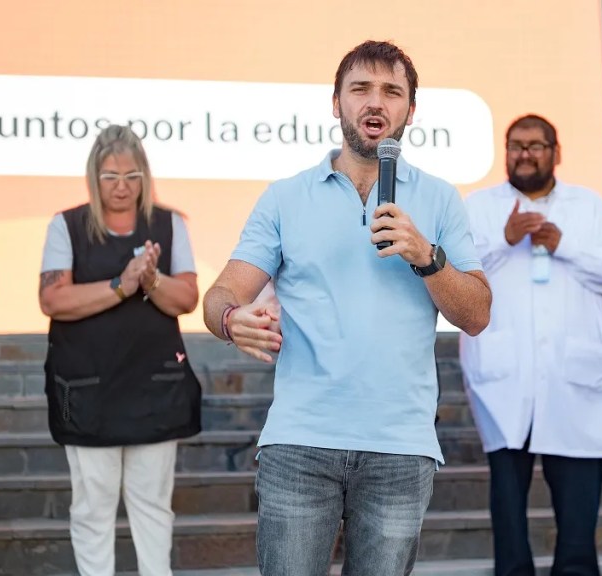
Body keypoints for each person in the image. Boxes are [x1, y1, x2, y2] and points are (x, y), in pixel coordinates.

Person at [202, 40, 490, 576]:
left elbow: (476, 314)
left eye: (391, 91)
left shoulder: (440, 199)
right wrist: (230, 319)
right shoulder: (285, 197)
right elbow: (220, 294)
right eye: (360, 89)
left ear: (410, 110)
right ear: (336, 103)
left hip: (399, 446)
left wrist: (427, 257)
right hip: (301, 440)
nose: (375, 102)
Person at [459, 114, 602, 576]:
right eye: (516, 145)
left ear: (556, 153)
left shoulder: (587, 206)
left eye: (536, 145)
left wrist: (566, 244)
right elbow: (453, 273)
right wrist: (505, 238)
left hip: (573, 381)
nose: (525, 153)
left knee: (578, 521)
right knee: (509, 516)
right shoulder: (480, 207)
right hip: (505, 381)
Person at [38, 125, 202, 576]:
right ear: (94, 177)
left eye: (132, 176)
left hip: (154, 388)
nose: (122, 187)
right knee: (93, 507)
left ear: (145, 176)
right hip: (87, 391)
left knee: (153, 506)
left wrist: (150, 280)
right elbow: (53, 300)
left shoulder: (170, 224)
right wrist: (121, 284)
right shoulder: (66, 225)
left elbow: (186, 297)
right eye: (111, 176)